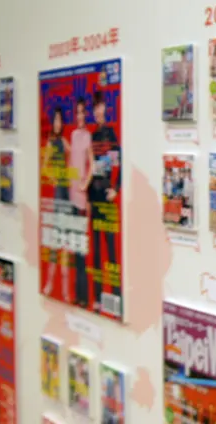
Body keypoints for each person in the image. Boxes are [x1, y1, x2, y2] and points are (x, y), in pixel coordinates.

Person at [89, 91, 121, 313]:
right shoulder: (92, 136)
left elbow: (120, 163)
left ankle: (116, 297)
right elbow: (91, 168)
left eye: (101, 107)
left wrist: (115, 189)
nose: (98, 111)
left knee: (110, 249)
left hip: (107, 199)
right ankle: (98, 298)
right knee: (96, 250)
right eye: (95, 108)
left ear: (105, 110)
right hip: (94, 196)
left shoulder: (111, 134)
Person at [42, 107, 72, 302]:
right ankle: (50, 283)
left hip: (67, 193)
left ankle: (65, 290)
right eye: (55, 120)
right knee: (55, 241)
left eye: (60, 120)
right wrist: (54, 178)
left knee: (66, 241)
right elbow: (45, 167)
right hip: (58, 194)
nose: (58, 124)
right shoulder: (51, 143)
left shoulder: (64, 141)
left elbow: (74, 157)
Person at [69, 97, 93, 307]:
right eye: (77, 112)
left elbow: (92, 164)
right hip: (70, 194)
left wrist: (86, 184)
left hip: (81, 197)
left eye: (82, 112)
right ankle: (76, 295)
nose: (80, 116)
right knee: (74, 247)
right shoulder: (73, 134)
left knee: (82, 249)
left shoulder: (87, 136)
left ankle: (84, 297)